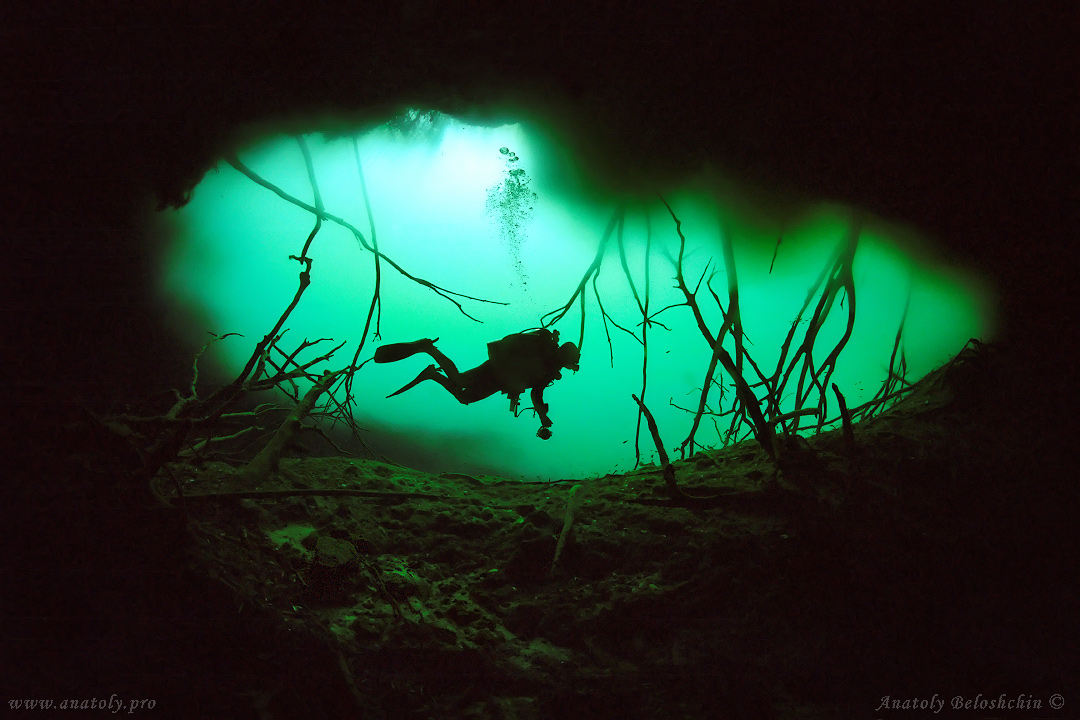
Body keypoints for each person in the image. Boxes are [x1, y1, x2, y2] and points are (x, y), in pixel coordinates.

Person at [374, 328, 580, 439]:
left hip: (500, 377)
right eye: (570, 364)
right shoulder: (547, 358)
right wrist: (543, 416)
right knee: (460, 380)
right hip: (497, 370)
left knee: (465, 397)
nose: (568, 368)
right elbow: (536, 394)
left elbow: (536, 392)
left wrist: (543, 415)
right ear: (566, 357)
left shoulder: (548, 364)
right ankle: (429, 350)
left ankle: (432, 375)